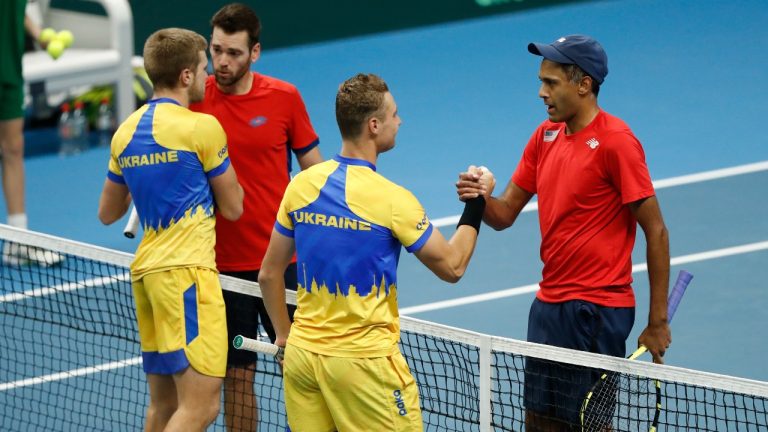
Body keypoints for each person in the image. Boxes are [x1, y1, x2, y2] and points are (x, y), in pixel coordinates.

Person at [456, 34, 671, 431]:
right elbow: (504, 215)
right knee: (538, 421)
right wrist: (479, 198)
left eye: (551, 83)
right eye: (541, 82)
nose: (541, 93)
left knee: (585, 425)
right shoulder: (545, 137)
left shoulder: (616, 143)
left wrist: (657, 321)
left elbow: (655, 231)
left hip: (597, 309)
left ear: (583, 84)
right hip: (550, 304)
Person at [257, 73, 487, 432]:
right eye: (394, 114)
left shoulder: (300, 186)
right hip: (364, 368)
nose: (400, 121)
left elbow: (269, 274)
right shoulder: (393, 199)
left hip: (303, 360)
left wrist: (285, 337)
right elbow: (453, 266)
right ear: (374, 125)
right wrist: (477, 204)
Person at [97, 27, 244, 432]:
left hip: (146, 276)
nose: (207, 75)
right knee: (200, 407)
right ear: (185, 76)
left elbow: (108, 212)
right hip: (187, 277)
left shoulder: (124, 133)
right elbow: (233, 207)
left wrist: (154, 180)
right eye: (202, 68)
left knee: (163, 407)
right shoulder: (201, 128)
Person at [188, 4, 322, 431]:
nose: (222, 62)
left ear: (256, 52)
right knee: (237, 375)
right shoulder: (194, 101)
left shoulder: (284, 98)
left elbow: (315, 174)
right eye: (216, 51)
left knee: (304, 368)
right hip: (221, 268)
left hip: (283, 264)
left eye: (234, 53)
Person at [0, 0, 62, 266]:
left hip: (10, 68)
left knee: (14, 148)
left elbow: (15, 10)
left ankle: (18, 239)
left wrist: (38, 33)